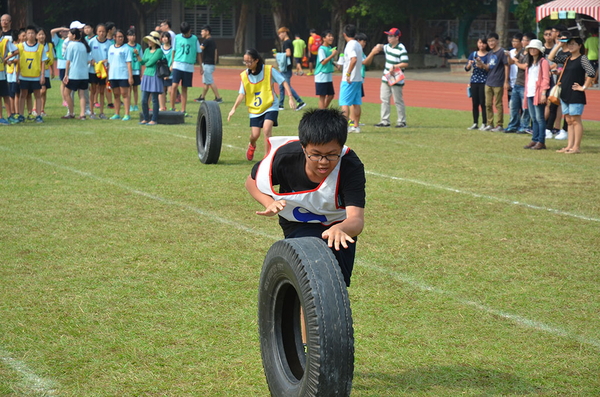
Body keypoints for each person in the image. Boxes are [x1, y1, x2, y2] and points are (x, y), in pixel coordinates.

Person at [245, 108, 366, 287]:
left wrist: (341, 228)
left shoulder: (350, 166)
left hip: (338, 227)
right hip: (298, 223)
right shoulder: (285, 158)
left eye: (332, 154)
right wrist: (269, 202)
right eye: (315, 154)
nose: (323, 161)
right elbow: (251, 182)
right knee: (310, 279)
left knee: (335, 286)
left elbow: (356, 219)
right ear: (303, 148)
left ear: (341, 147)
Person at [227, 49, 296, 161]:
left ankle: (267, 158)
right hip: (255, 109)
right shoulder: (245, 75)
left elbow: (283, 81)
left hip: (270, 105)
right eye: (245, 62)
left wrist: (290, 97)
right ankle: (252, 145)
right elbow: (241, 94)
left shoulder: (268, 70)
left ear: (256, 60)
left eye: (249, 61)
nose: (247, 64)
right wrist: (233, 108)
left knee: (266, 129)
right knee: (255, 135)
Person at [548, 33, 596, 154]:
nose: (570, 46)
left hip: (575, 93)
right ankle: (569, 146)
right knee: (568, 120)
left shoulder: (582, 58)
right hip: (565, 92)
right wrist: (559, 44)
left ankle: (576, 147)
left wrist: (584, 87)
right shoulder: (567, 58)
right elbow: (551, 57)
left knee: (575, 120)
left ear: (580, 46)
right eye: (569, 43)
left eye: (573, 44)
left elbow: (591, 72)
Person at [6, 26, 47, 124]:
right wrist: (16, 74)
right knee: (22, 95)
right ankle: (20, 114)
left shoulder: (40, 47)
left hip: (36, 75)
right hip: (23, 75)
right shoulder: (20, 47)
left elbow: (43, 62)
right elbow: (15, 59)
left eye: (33, 33)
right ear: (26, 35)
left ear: (36, 35)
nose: (31, 35)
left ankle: (38, 115)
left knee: (37, 95)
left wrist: (42, 75)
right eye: (28, 33)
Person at [374, 27, 408, 129]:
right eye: (388, 36)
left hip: (396, 76)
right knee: (384, 99)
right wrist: (378, 46)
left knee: (398, 100)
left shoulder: (401, 48)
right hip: (386, 76)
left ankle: (402, 121)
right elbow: (382, 46)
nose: (389, 38)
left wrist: (395, 66)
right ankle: (385, 121)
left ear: (397, 37)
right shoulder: (388, 47)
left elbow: (405, 63)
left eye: (391, 36)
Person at [477, 32, 509, 131]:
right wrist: (481, 63)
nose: (490, 43)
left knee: (498, 104)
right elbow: (488, 68)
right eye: (489, 41)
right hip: (489, 82)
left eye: (492, 41)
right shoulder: (490, 53)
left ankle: (499, 125)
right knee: (487, 104)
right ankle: (489, 123)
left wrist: (506, 81)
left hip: (498, 82)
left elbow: (506, 66)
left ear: (497, 41)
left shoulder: (502, 52)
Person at [522, 39, 550, 150]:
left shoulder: (543, 62)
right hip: (530, 92)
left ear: (539, 50)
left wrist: (544, 93)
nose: (532, 50)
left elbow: (546, 79)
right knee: (533, 118)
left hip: (538, 93)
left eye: (535, 48)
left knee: (540, 118)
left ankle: (541, 141)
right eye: (531, 48)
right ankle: (534, 139)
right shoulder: (529, 64)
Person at [170, 21, 202, 116]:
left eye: (186, 33)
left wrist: (201, 66)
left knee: (184, 88)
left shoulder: (194, 39)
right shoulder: (177, 38)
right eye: (183, 33)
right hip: (177, 65)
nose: (185, 35)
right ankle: (172, 108)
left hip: (188, 67)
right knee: (174, 86)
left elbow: (199, 52)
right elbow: (174, 51)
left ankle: (183, 110)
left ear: (190, 31)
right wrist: (172, 64)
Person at [63, 28, 92, 120]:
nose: (68, 36)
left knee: (66, 93)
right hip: (84, 74)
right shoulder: (83, 46)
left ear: (74, 36)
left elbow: (68, 61)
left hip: (74, 74)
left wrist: (66, 74)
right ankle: (82, 114)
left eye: (69, 34)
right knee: (82, 94)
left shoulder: (71, 45)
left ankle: (71, 113)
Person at [339, 24, 364, 133]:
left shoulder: (350, 45)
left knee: (344, 103)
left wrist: (348, 74)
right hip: (358, 78)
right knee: (356, 103)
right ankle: (356, 126)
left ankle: (345, 127)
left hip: (349, 79)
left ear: (344, 34)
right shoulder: (358, 45)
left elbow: (353, 59)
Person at [506, 33, 533, 134]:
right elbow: (511, 62)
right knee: (513, 106)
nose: (522, 42)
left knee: (525, 107)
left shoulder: (531, 54)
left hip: (525, 84)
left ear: (529, 42)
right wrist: (509, 56)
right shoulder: (522, 51)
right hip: (517, 83)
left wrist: (517, 62)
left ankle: (524, 126)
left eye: (524, 40)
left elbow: (525, 66)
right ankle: (513, 125)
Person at [277, 27, 306, 111]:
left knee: (287, 86)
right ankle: (281, 104)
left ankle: (300, 102)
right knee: (281, 86)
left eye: (280, 33)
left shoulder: (286, 42)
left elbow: (288, 53)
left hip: (286, 68)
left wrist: (278, 55)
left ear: (285, 33)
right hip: (285, 68)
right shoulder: (289, 42)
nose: (279, 35)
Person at [107, 29, 133, 120]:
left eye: (122, 37)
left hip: (123, 75)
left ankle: (127, 114)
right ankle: (117, 113)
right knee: (116, 95)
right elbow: (109, 63)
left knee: (125, 94)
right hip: (113, 75)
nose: (120, 38)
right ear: (114, 37)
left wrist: (130, 76)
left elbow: (129, 63)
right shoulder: (111, 48)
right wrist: (108, 76)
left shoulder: (126, 48)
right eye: (118, 37)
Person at [139, 31, 164, 126]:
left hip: (155, 76)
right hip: (146, 75)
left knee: (154, 99)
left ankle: (154, 119)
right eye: (148, 40)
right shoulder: (146, 50)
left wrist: (146, 61)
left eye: (151, 40)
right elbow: (142, 62)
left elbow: (148, 63)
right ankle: (145, 118)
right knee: (143, 100)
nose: (149, 41)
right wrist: (137, 55)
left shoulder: (159, 51)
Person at [465, 37, 490, 130]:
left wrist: (481, 64)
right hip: (474, 81)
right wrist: (469, 64)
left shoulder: (489, 55)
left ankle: (484, 123)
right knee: (475, 103)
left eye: (483, 43)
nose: (481, 45)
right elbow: (466, 68)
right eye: (479, 42)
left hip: (484, 81)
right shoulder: (473, 54)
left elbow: (489, 68)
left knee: (483, 103)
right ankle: (475, 123)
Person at [194, 25, 222, 103]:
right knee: (206, 83)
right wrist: (214, 63)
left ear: (207, 32)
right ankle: (202, 97)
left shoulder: (207, 41)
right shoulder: (212, 40)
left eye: (202, 31)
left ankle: (218, 98)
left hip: (208, 64)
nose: (201, 33)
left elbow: (199, 49)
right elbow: (216, 52)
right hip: (210, 64)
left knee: (209, 81)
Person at [88, 24, 111, 119]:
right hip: (93, 70)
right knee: (93, 90)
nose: (101, 33)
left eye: (103, 31)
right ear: (96, 32)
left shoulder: (109, 43)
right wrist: (90, 60)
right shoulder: (92, 42)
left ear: (106, 33)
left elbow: (110, 56)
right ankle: (91, 112)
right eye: (100, 31)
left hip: (103, 71)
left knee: (102, 90)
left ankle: (101, 112)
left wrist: (107, 61)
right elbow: (87, 53)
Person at [314, 30, 337, 109]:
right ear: (324, 38)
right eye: (329, 36)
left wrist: (335, 64)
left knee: (331, 95)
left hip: (328, 75)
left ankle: (323, 111)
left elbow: (329, 60)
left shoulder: (330, 48)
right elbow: (323, 62)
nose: (331, 38)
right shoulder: (321, 49)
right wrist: (333, 55)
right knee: (322, 96)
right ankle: (322, 113)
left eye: (332, 36)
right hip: (321, 75)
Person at [36, 28, 53, 117]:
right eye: (39, 34)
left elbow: (51, 59)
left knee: (44, 91)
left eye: (43, 34)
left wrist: (53, 70)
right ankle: (35, 108)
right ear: (36, 36)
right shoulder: (35, 46)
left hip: (46, 71)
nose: (41, 36)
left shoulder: (49, 45)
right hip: (37, 72)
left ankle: (42, 109)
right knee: (39, 90)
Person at [0, 32, 16, 125]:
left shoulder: (5, 41)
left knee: (6, 95)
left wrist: (6, 59)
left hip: (2, 73)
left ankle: (9, 116)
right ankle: (1, 117)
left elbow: (16, 50)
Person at [159, 31, 173, 111]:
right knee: (161, 91)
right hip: (161, 73)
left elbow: (173, 62)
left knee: (171, 91)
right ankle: (162, 107)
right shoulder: (160, 49)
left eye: (166, 37)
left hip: (170, 74)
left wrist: (168, 74)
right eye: (163, 37)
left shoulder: (172, 49)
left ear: (169, 38)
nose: (164, 39)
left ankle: (172, 107)